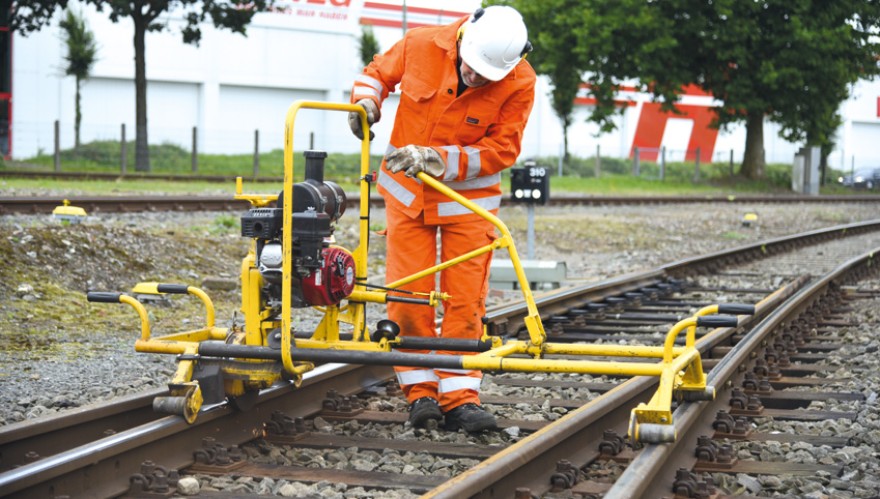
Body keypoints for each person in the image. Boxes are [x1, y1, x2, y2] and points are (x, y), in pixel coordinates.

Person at [348, 5, 536, 432]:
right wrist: (365, 103)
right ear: (463, 38)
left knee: (464, 302)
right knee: (409, 297)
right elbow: (376, 73)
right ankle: (420, 395)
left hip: (467, 208)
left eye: (486, 76)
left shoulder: (520, 81)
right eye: (472, 68)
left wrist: (436, 158)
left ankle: (461, 397)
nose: (475, 78)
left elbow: (502, 150)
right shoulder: (419, 44)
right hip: (407, 199)